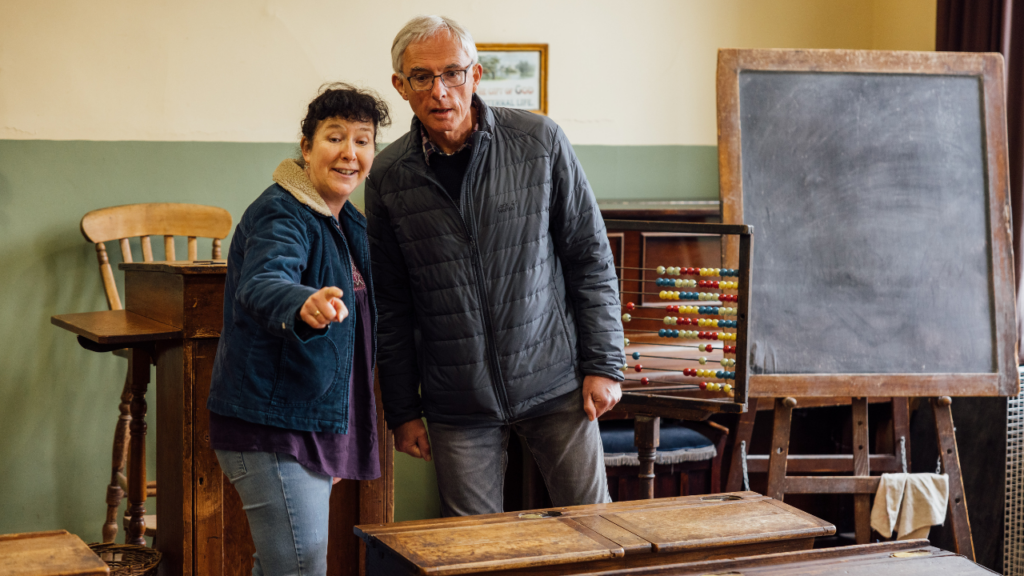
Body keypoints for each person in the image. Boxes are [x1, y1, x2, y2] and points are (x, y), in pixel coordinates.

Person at [365, 15, 625, 517]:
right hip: (456, 402)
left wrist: (604, 363)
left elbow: (589, 257)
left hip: (556, 381)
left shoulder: (539, 140)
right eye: (422, 77)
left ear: (476, 75)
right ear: (401, 85)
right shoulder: (388, 177)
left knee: (593, 529)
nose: (440, 91)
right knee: (474, 552)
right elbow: (391, 305)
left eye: (453, 73)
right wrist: (403, 411)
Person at [206, 83, 390, 575]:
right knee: (299, 566)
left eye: (363, 140)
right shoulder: (281, 212)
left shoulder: (345, 222)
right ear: (306, 147)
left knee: (285, 566)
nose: (350, 153)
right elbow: (263, 280)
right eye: (334, 138)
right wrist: (303, 301)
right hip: (272, 427)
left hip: (311, 421)